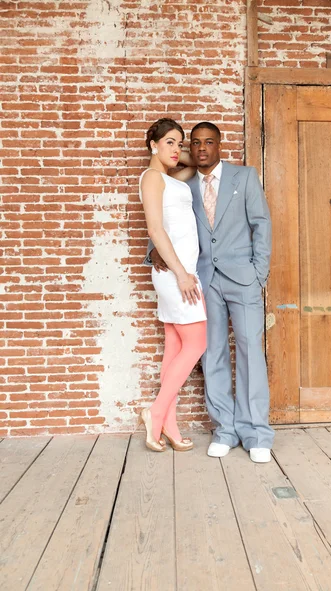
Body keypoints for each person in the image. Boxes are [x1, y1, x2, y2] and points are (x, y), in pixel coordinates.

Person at [147, 122, 275, 463]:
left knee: (249, 351)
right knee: (212, 353)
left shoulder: (244, 177)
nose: (202, 148)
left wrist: (258, 273)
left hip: (243, 278)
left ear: (220, 145)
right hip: (204, 280)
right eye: (196, 143)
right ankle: (225, 430)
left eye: (209, 142)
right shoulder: (183, 182)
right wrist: (152, 252)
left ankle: (256, 432)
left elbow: (261, 224)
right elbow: (162, 218)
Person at [138, 118, 207, 452]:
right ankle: (154, 412)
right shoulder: (152, 178)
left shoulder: (171, 177)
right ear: (152, 144)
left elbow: (195, 161)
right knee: (197, 343)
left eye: (180, 143)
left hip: (183, 271)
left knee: (176, 348)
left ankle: (169, 425)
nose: (177, 149)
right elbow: (155, 229)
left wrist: (177, 152)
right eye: (169, 142)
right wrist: (181, 273)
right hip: (176, 275)